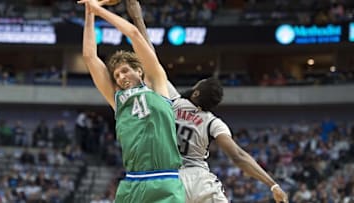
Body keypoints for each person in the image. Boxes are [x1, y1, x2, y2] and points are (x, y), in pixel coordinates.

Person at [124, 0, 289, 202]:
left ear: (195, 94)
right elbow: (238, 156)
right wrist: (272, 184)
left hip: (170, 178)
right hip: (199, 179)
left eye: (197, 84)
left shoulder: (173, 101)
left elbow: (149, 56)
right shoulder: (213, 122)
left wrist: (137, 17)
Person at [78, 0, 185, 202]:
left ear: (139, 70)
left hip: (164, 181)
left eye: (125, 70)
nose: (120, 77)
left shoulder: (156, 84)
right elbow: (90, 57)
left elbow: (134, 34)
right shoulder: (117, 99)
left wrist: (100, 10)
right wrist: (89, 10)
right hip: (132, 182)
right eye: (117, 75)